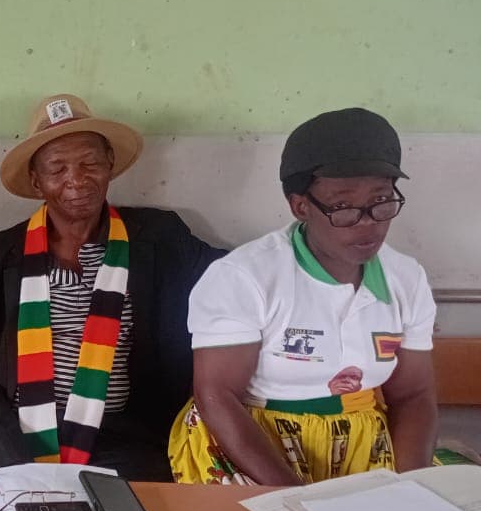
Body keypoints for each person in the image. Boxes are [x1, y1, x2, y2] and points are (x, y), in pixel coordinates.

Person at [0, 94, 222, 480]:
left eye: (90, 163)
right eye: (57, 168)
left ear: (110, 165)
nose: (76, 180)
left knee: (141, 503)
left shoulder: (159, 240)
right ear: (36, 181)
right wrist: (14, 464)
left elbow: (235, 276)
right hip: (10, 431)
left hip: (120, 436)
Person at [170, 107, 437, 485]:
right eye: (343, 207)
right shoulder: (245, 277)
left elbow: (413, 395)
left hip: (362, 446)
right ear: (301, 206)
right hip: (254, 450)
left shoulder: (406, 279)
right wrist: (294, 500)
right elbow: (217, 395)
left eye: (381, 200)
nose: (368, 222)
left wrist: (411, 488)